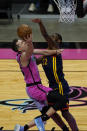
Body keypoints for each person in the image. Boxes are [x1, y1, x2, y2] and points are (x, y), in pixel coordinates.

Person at [12, 33, 68, 131]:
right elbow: (30, 51)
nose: (24, 43)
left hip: (36, 88)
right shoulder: (23, 56)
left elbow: (43, 52)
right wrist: (30, 41)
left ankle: (23, 128)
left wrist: (56, 51)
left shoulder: (28, 53)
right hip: (35, 89)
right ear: (19, 49)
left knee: (51, 112)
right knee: (62, 100)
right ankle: (42, 119)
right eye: (22, 43)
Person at [32, 18, 79, 131]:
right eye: (51, 37)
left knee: (65, 113)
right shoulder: (44, 55)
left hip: (61, 86)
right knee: (50, 112)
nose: (51, 39)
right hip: (51, 87)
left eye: (54, 38)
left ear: (58, 42)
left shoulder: (55, 50)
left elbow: (45, 34)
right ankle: (65, 129)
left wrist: (40, 23)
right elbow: (33, 63)